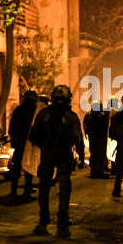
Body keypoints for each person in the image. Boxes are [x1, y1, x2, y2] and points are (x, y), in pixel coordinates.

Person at [29, 84, 85, 236]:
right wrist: (81, 155)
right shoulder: (71, 116)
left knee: (44, 186)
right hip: (64, 154)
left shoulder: (43, 114)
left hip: (47, 154)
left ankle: (43, 220)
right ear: (68, 99)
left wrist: (44, 146)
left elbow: (33, 136)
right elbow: (78, 137)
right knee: (64, 186)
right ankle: (62, 219)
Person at [8, 90, 38, 197]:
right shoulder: (35, 111)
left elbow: (11, 128)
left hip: (20, 144)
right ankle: (27, 188)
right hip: (30, 144)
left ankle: (14, 189)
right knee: (28, 168)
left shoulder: (18, 110)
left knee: (16, 167)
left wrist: (14, 142)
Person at [84, 100, 109, 179]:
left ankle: (94, 171)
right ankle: (100, 172)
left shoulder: (88, 115)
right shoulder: (102, 116)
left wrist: (87, 134)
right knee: (100, 155)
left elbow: (85, 126)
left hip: (92, 138)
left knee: (94, 154)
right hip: (101, 138)